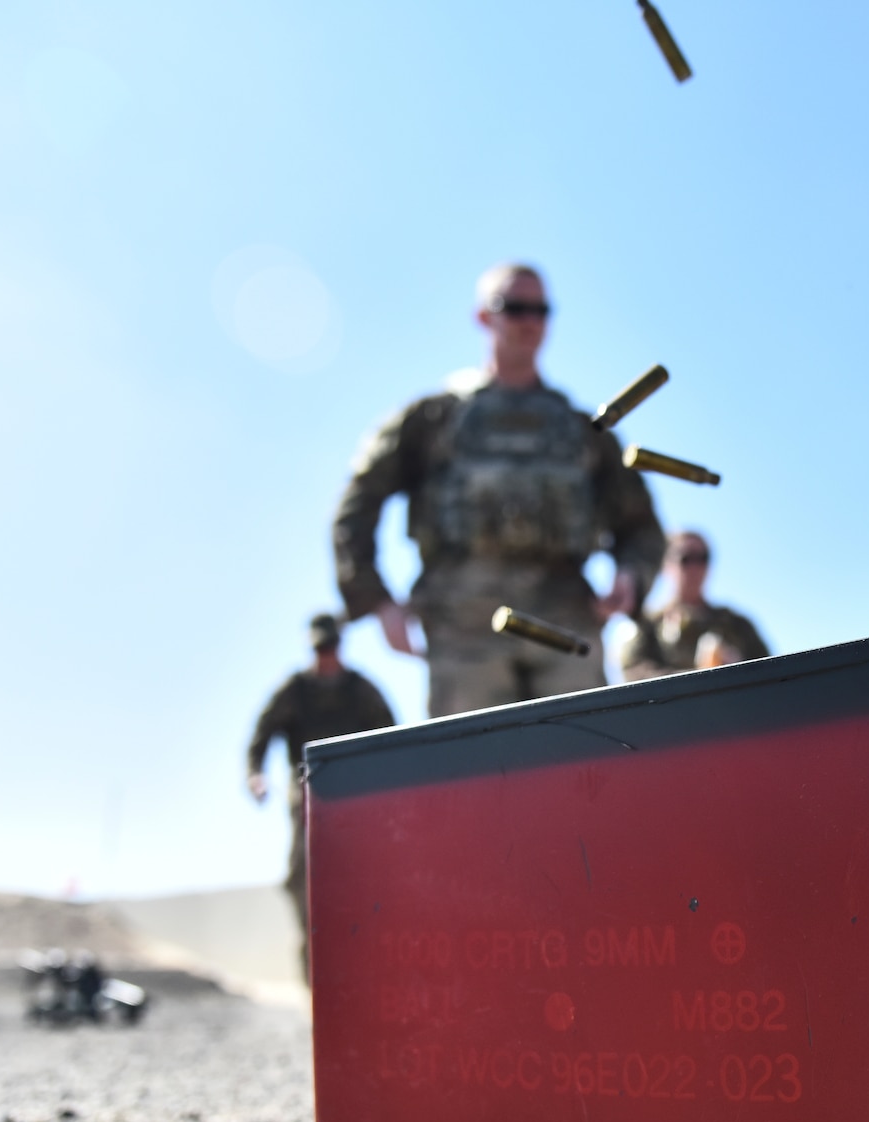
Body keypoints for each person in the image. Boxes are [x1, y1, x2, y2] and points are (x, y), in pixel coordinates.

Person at [332, 263, 666, 717]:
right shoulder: (433, 419)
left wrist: (630, 578)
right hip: (463, 627)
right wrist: (375, 600)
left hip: (565, 621)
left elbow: (641, 527)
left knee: (583, 768)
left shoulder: (581, 431)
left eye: (541, 310)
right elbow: (357, 504)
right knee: (476, 775)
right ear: (483, 317)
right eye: (514, 307)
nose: (529, 321)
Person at [246, 613, 396, 984]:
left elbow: (394, 736)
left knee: (375, 879)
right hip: (310, 796)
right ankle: (313, 973)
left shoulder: (360, 690)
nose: (324, 656)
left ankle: (373, 967)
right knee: (302, 877)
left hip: (360, 800)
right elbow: (261, 736)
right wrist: (256, 775)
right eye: (318, 649)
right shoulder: (294, 691)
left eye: (329, 648)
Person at [620, 529, 771, 679]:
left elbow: (772, 672)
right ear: (666, 565)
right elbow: (633, 672)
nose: (695, 567)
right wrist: (699, 677)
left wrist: (739, 668)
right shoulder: (648, 625)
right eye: (686, 558)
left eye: (703, 558)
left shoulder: (737, 624)